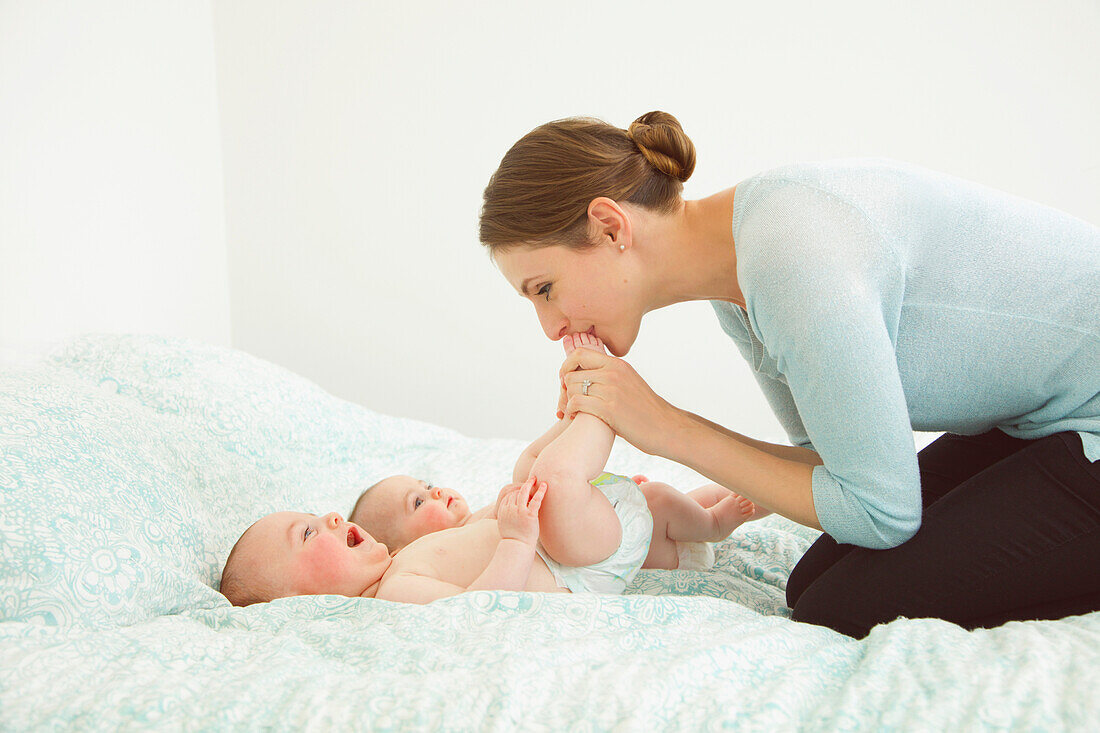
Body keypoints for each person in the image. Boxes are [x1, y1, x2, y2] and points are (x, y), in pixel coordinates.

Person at [478, 111, 1100, 638]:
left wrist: (665, 426)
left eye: (545, 288)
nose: (550, 326)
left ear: (611, 226)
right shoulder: (737, 272)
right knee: (812, 584)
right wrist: (666, 430)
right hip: (1049, 414)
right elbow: (835, 473)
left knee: (838, 610)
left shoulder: (790, 257)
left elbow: (883, 512)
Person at [220, 333, 761, 606]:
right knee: (552, 474)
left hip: (572, 546)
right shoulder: (395, 592)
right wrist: (517, 539)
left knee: (527, 469)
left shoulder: (405, 559)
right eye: (309, 531)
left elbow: (491, 517)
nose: (333, 517)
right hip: (568, 567)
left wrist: (512, 505)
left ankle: (575, 412)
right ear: (299, 599)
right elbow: (484, 606)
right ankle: (603, 400)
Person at [349, 332, 764, 572]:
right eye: (418, 501)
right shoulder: (451, 551)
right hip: (665, 554)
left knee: (681, 496)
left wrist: (602, 494)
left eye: (429, 485)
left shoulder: (478, 518)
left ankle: (571, 414)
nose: (436, 492)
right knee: (662, 501)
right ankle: (715, 524)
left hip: (626, 534)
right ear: (403, 547)